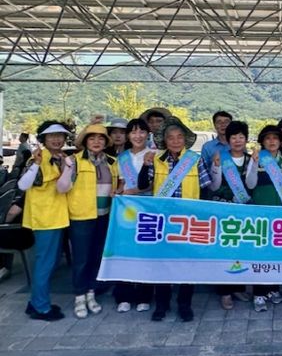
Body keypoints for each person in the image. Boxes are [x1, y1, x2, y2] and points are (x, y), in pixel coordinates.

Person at [138, 116, 220, 322]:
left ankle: (185, 304)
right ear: (165, 141)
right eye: (171, 137)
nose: (175, 141)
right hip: (163, 220)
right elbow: (142, 185)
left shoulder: (194, 159)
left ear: (185, 139)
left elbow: (206, 188)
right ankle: (162, 304)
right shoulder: (156, 160)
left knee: (187, 263)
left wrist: (203, 215)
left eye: (179, 137)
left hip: (188, 221)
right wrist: (145, 165)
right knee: (162, 263)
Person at [59, 122, 119, 319]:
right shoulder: (74, 161)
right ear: (85, 142)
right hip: (81, 217)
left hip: (104, 216)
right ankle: (79, 296)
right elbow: (62, 188)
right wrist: (67, 170)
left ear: (106, 142)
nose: (96, 142)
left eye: (101, 138)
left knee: (96, 256)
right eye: (92, 138)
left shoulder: (112, 162)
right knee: (81, 259)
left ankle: (91, 293)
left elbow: (118, 185)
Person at [17, 121, 71, 321]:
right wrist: (36, 164)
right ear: (43, 139)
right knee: (45, 263)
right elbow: (23, 185)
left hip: (56, 216)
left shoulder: (60, 158)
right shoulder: (38, 158)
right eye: (51, 136)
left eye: (60, 136)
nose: (57, 139)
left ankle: (35, 302)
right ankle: (41, 307)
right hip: (45, 218)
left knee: (50, 261)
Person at [245, 125, 282, 311]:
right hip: (260, 213)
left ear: (280, 141)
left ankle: (273, 289)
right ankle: (259, 293)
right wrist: (254, 164)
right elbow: (250, 184)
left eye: (275, 138)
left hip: (280, 214)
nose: (272, 141)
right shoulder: (256, 158)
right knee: (260, 253)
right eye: (268, 138)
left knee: (277, 253)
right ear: (262, 142)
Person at [112, 118, 154, 313]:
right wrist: (118, 191)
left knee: (146, 252)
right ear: (128, 136)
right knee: (125, 251)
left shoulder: (155, 155)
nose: (138, 136)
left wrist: (131, 191)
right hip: (126, 211)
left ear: (148, 134)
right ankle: (124, 296)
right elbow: (121, 183)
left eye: (142, 132)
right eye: (134, 132)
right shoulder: (122, 158)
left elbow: (154, 184)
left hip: (148, 210)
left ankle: (144, 295)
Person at [209, 120, 251, 310]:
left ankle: (238, 287)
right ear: (228, 139)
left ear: (246, 139)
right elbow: (214, 186)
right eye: (234, 137)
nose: (237, 140)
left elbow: (251, 185)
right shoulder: (220, 157)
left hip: (244, 210)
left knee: (242, 249)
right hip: (223, 210)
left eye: (241, 136)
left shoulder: (251, 159)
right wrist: (216, 167)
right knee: (224, 250)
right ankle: (225, 292)